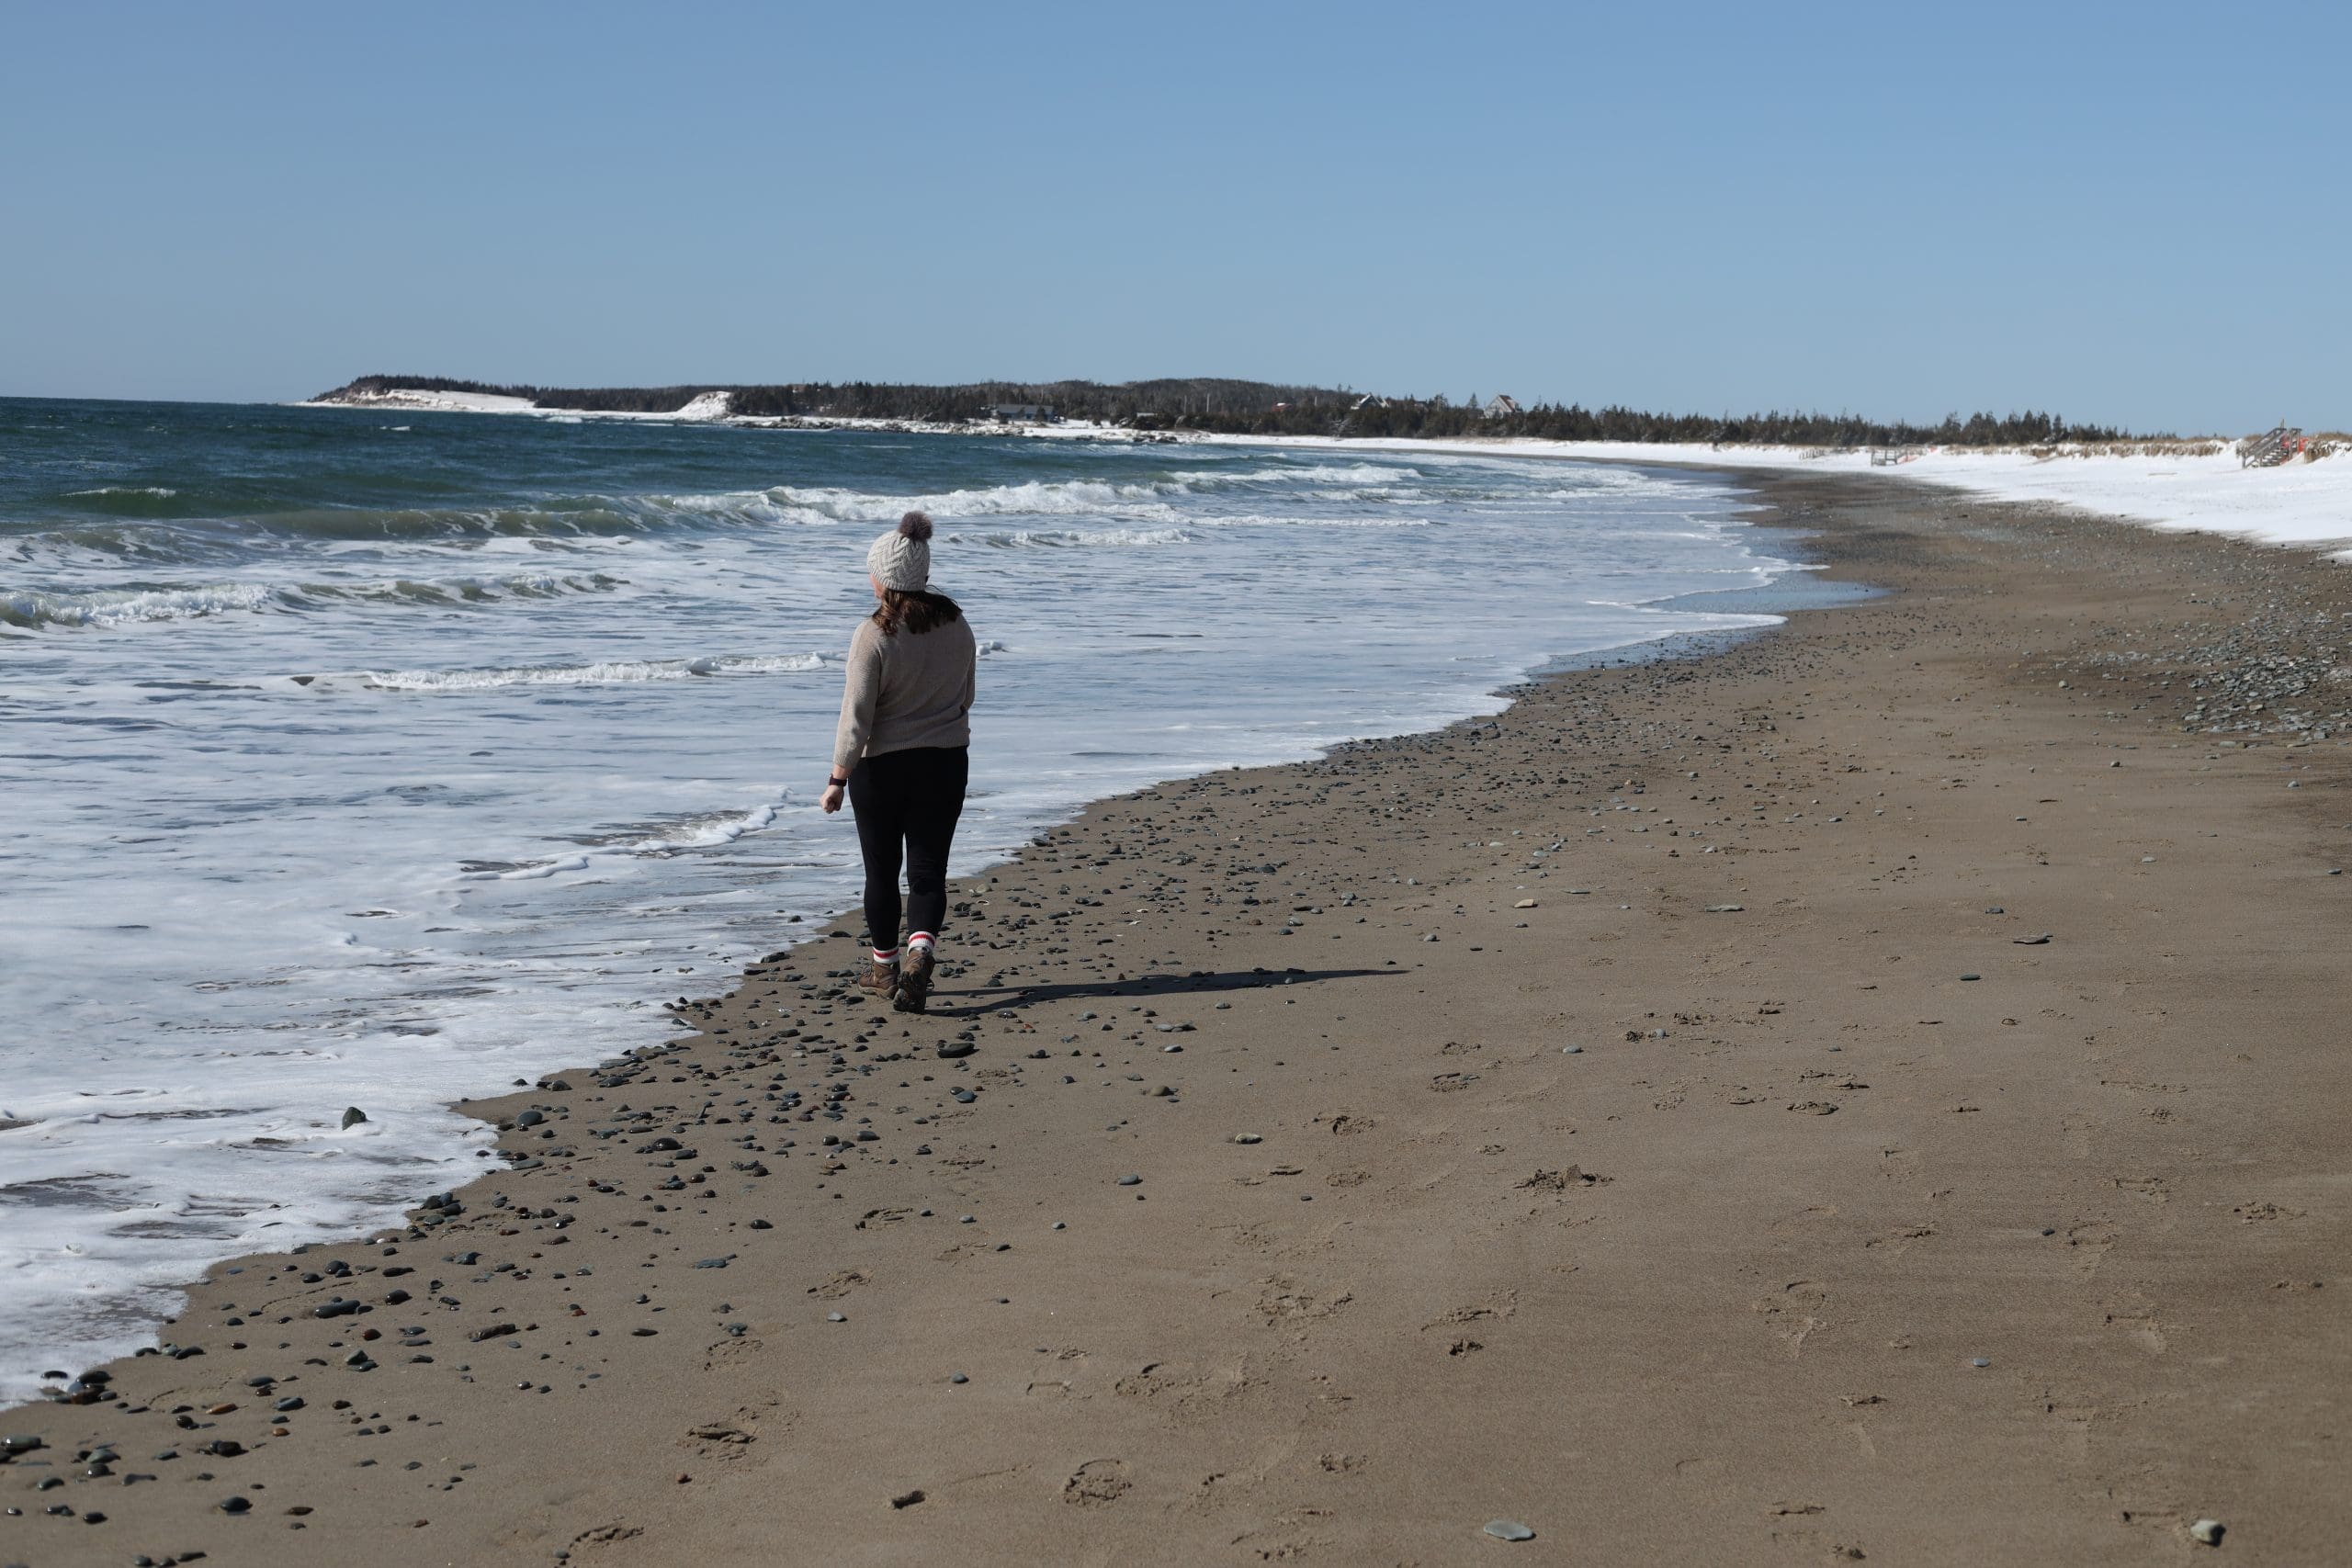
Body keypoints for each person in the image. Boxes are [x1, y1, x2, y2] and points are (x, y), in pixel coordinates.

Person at [820, 511, 976, 1014]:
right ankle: (920, 953)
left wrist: (837, 777)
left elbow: (856, 717)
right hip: (946, 761)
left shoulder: (873, 634)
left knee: (882, 872)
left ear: (883, 580)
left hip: (882, 769)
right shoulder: (957, 625)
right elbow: (966, 696)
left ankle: (884, 968)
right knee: (928, 871)